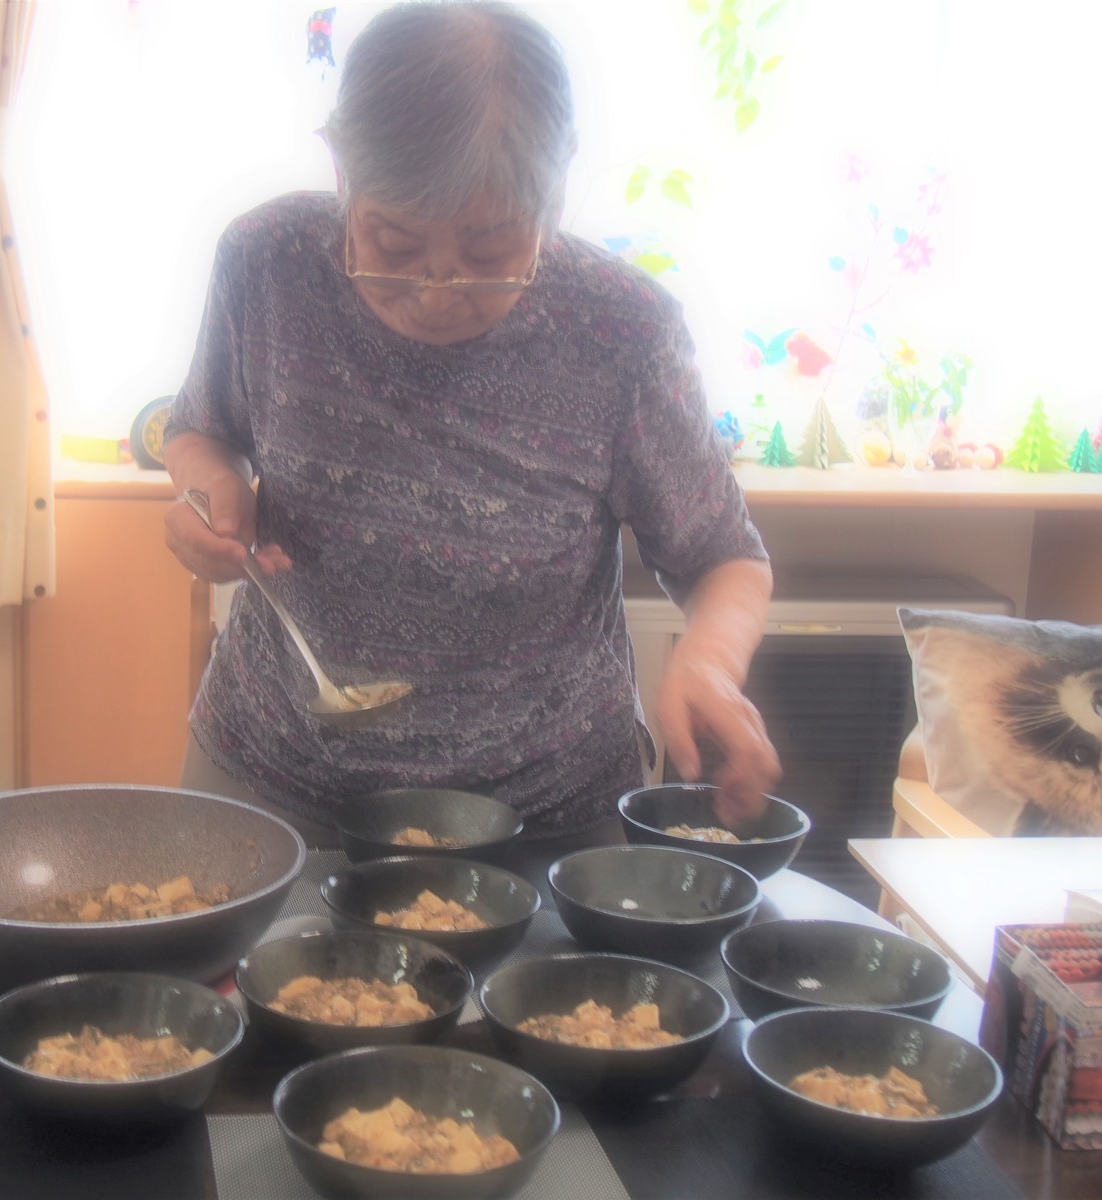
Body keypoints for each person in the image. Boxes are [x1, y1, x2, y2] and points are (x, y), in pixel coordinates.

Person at [163, 1, 779, 847]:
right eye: (393, 243)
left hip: (543, 818)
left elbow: (725, 560)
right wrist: (211, 493)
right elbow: (199, 430)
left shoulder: (621, 330)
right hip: (277, 781)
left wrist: (708, 664)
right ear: (343, 175)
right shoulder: (267, 261)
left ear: (553, 199)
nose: (434, 293)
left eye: (488, 254)